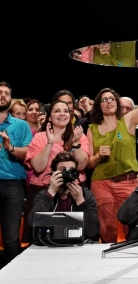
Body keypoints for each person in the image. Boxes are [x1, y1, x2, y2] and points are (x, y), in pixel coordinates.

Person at [86, 61, 138, 243]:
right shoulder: (92, 129)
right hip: (101, 183)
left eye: (111, 98)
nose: (109, 102)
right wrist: (98, 156)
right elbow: (89, 164)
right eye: (104, 99)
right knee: (106, 229)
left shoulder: (128, 120)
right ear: (98, 105)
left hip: (127, 180)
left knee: (132, 228)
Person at [23, 100, 90, 241]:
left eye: (66, 111)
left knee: (75, 234)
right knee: (39, 236)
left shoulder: (79, 135)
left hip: (74, 189)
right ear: (49, 116)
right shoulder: (39, 137)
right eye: (57, 111)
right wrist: (49, 142)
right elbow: (38, 167)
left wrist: (76, 143)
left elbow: (82, 166)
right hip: (43, 189)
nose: (62, 114)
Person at [28, 151, 99, 242]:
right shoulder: (43, 195)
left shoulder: (86, 195)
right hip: (49, 246)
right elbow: (32, 223)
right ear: (53, 173)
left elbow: (93, 231)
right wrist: (50, 194)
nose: (68, 173)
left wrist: (81, 202)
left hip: (78, 245)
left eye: (71, 170)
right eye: (63, 169)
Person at [0, 82, 33, 265]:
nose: (2, 95)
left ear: (10, 99)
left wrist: (10, 148)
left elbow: (28, 152)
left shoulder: (21, 126)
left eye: (6, 93)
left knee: (12, 239)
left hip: (13, 186)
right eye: (0, 92)